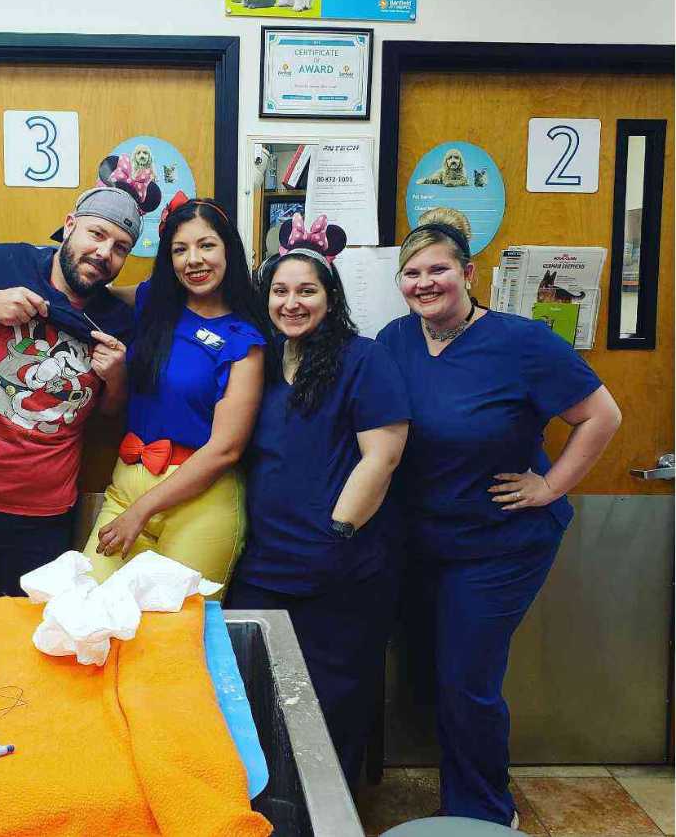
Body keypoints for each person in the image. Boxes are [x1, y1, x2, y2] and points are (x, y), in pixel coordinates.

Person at [376, 207, 621, 828]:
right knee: (435, 679)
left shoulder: (524, 342)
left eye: (439, 269)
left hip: (499, 545)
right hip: (423, 539)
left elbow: (602, 417)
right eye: (412, 273)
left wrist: (550, 485)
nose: (425, 282)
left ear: (468, 272)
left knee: (466, 683)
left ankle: (485, 814)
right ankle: (461, 794)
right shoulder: (395, 340)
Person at [225, 214, 410, 785]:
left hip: (339, 569)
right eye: (280, 291)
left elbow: (382, 456)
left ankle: (335, 813)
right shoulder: (263, 361)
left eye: (307, 290)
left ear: (331, 296)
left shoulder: (364, 358)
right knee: (251, 699)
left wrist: (339, 534)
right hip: (264, 565)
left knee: (332, 705)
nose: (292, 303)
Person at [0, 186, 136, 596]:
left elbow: (110, 417)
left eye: (120, 248)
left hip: (46, 513)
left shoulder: (116, 318)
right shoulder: (0, 263)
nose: (104, 252)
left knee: (32, 640)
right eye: (96, 234)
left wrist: (117, 378)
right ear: (69, 226)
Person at [82, 194, 270, 592]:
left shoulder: (243, 340)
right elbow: (87, 289)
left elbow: (226, 449)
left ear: (228, 251)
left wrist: (140, 513)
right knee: (86, 608)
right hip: (127, 483)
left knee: (175, 635)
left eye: (206, 245)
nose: (194, 260)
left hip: (200, 501)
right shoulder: (153, 303)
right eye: (180, 249)